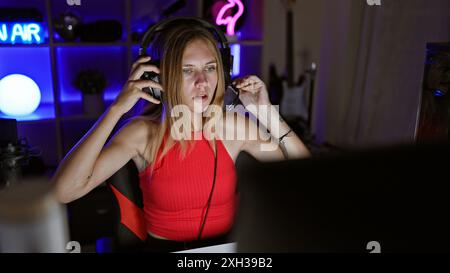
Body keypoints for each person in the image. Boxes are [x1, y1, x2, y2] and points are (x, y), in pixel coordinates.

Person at [52, 17, 310, 252]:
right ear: (159, 77)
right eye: (188, 70)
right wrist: (116, 109)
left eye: (210, 68)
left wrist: (266, 114)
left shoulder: (234, 127)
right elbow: (64, 191)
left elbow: (305, 176)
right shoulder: (141, 134)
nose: (203, 82)